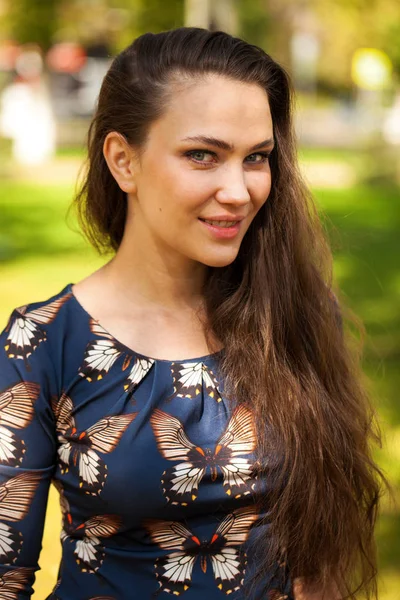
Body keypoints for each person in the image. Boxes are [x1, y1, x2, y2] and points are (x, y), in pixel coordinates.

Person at [0, 27, 384, 600]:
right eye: (202, 155)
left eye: (256, 158)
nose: (238, 190)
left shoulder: (295, 316)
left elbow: (318, 557)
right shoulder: (42, 343)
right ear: (122, 161)